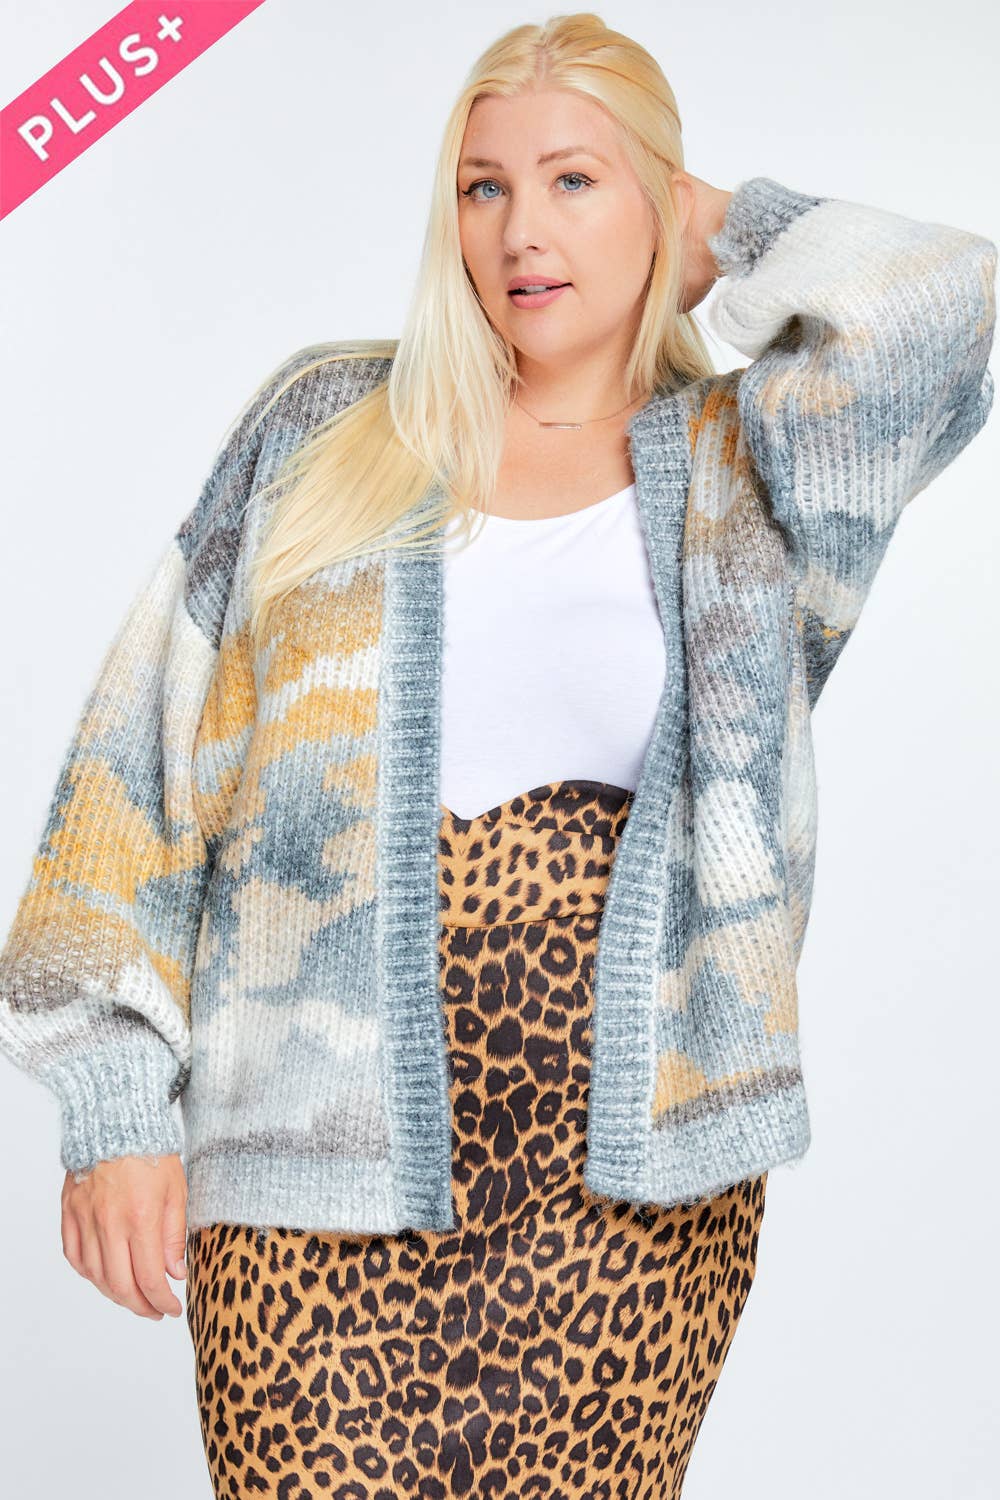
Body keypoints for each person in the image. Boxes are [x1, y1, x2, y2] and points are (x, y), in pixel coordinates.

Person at [0, 13, 994, 1499]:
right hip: (313, 1186)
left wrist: (727, 224)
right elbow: (133, 778)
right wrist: (112, 1112)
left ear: (659, 196)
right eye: (483, 187)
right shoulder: (322, 434)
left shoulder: (757, 471)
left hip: (631, 1203)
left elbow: (947, 302)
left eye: (575, 181)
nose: (522, 230)